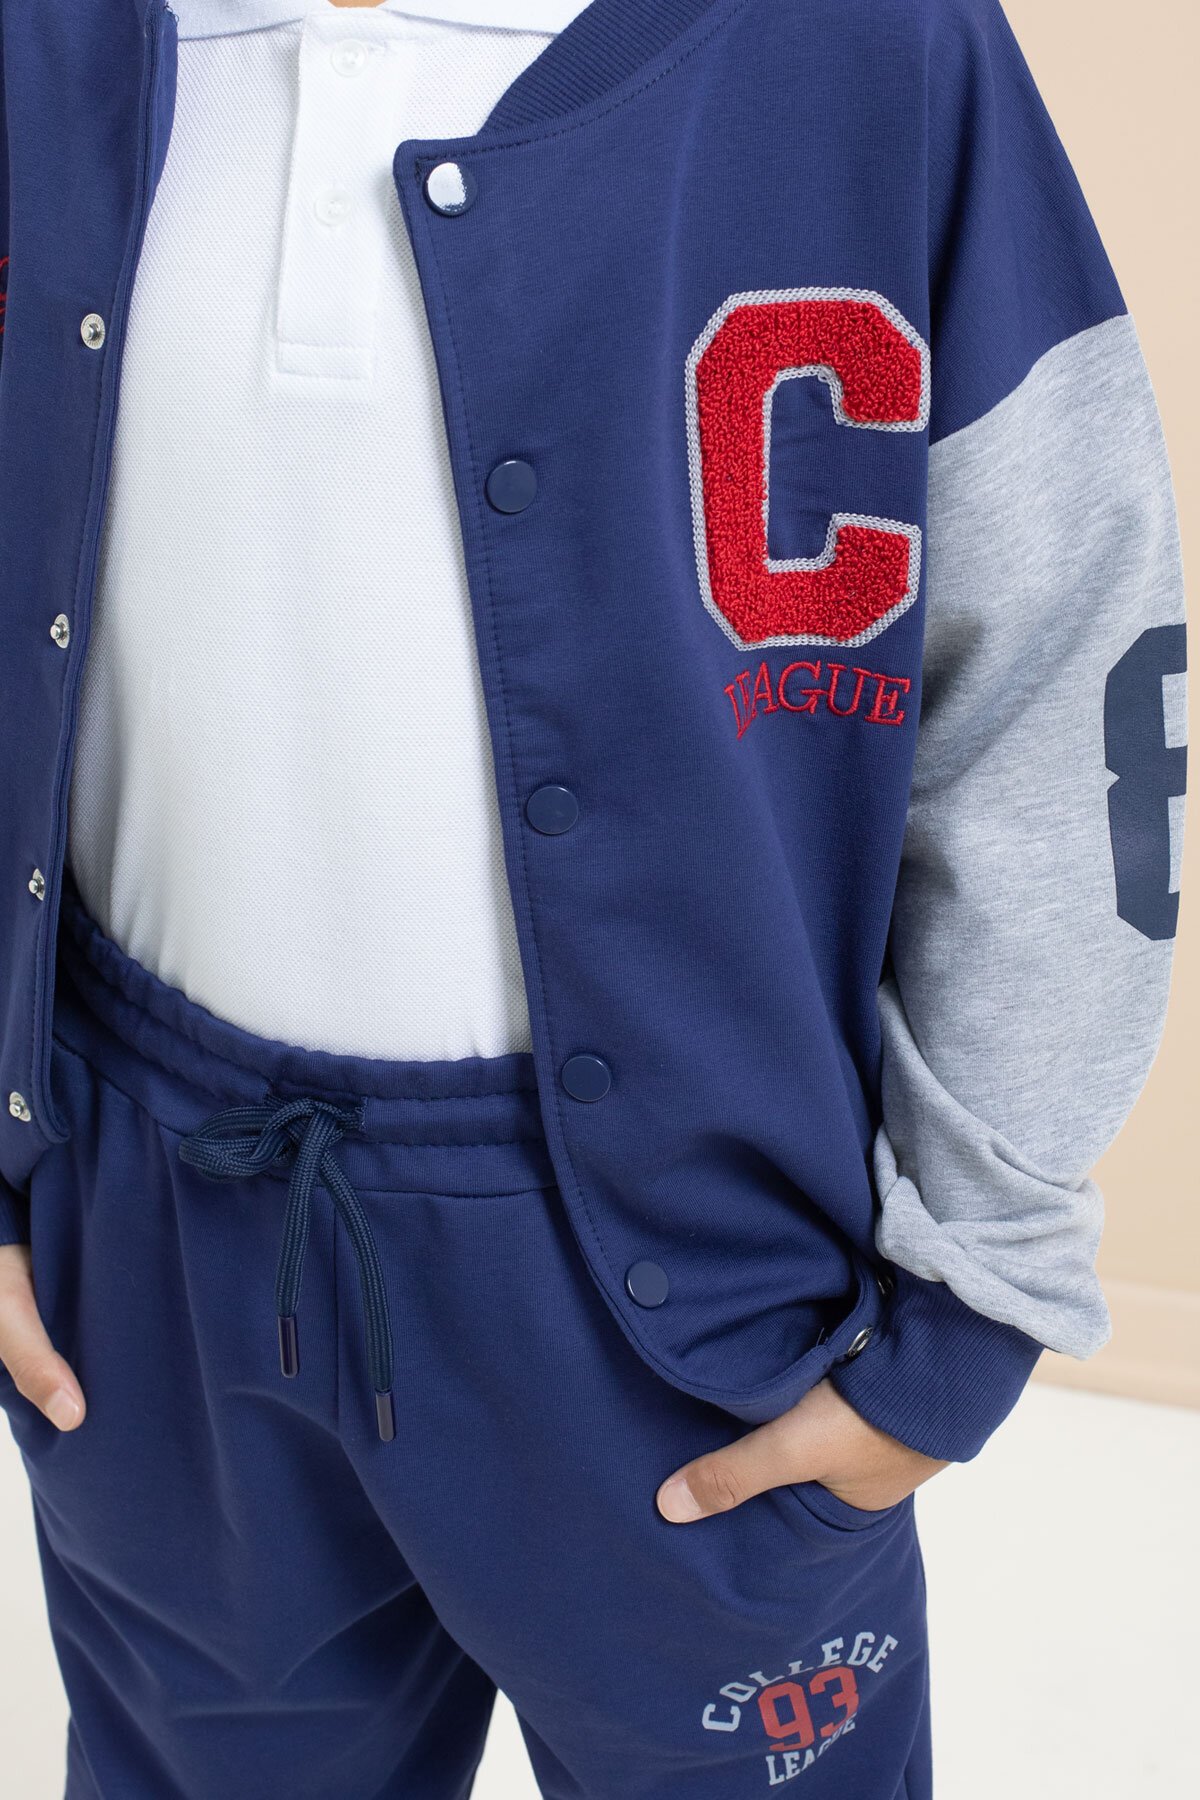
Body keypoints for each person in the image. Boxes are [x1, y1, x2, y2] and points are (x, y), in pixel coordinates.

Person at [0, 0, 1187, 1795]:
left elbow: (1059, 669)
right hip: (146, 1250)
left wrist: (971, 1305)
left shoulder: (871, 48)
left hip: (693, 1278)